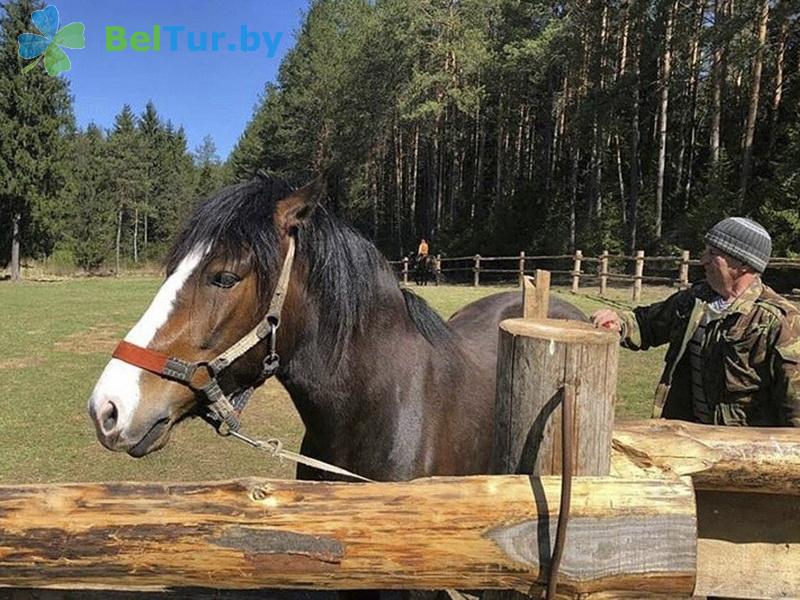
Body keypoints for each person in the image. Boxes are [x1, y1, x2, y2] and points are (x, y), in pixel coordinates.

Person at [591, 217, 800, 427]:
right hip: (689, 441)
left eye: (713, 253)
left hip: (743, 451)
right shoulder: (695, 299)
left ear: (743, 264)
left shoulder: (778, 320)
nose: (703, 260)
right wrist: (619, 323)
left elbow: (795, 407)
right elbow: (647, 323)